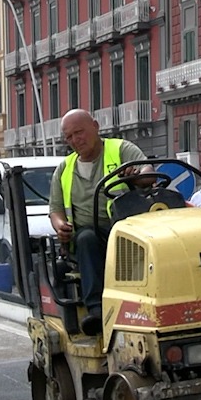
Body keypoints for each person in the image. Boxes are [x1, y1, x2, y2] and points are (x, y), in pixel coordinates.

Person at [49, 108, 148, 335]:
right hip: (91, 236)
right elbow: (55, 209)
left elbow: (148, 172)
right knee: (85, 238)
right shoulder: (64, 169)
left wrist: (138, 176)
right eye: (69, 136)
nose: (75, 140)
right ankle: (96, 310)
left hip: (127, 230)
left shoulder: (122, 149)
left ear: (95, 126)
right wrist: (60, 226)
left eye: (79, 132)